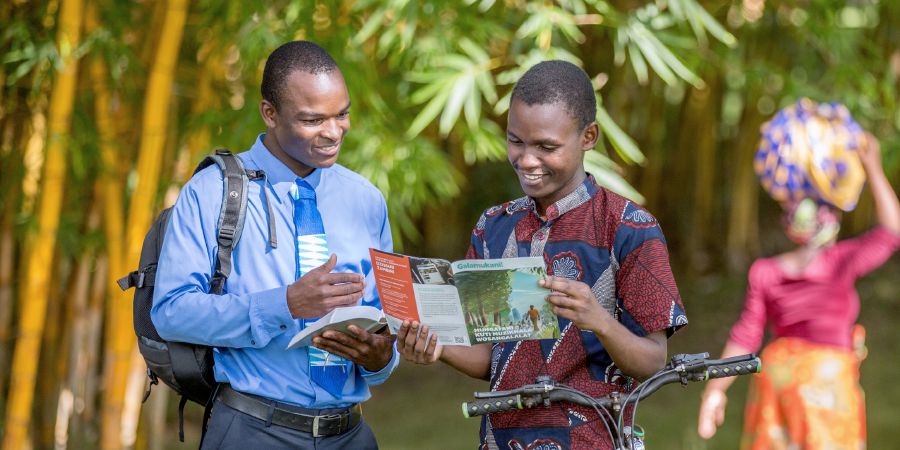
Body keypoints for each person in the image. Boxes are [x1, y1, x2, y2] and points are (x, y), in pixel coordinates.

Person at [396, 60, 688, 449]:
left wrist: (599, 320)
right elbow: (493, 358)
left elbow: (652, 360)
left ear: (589, 136)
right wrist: (438, 347)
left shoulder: (629, 228)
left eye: (546, 147)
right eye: (516, 141)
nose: (527, 160)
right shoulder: (493, 227)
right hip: (500, 440)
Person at [152, 41, 398, 449]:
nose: (333, 131)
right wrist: (285, 304)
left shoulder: (366, 199)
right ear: (270, 113)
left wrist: (381, 358)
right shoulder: (212, 192)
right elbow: (171, 312)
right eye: (312, 119)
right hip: (253, 431)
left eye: (342, 114)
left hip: (350, 435)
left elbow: (384, 321)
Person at [697, 133, 900, 449]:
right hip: (827, 383)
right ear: (829, 224)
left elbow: (745, 336)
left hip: (779, 380)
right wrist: (872, 165)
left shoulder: (766, 271)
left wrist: (715, 391)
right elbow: (891, 232)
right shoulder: (839, 262)